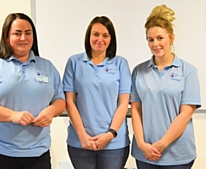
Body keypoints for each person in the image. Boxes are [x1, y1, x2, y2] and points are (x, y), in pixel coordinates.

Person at [0, 13, 65, 169]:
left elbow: (60, 100)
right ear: (7, 37)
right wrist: (12, 116)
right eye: (17, 33)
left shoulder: (47, 67)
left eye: (28, 33)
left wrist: (51, 111)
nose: (23, 38)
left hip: (38, 152)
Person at [130, 4, 201, 169]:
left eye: (160, 38)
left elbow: (185, 114)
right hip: (145, 154)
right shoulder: (139, 71)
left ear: (171, 38)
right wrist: (141, 144)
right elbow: (136, 110)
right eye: (150, 39)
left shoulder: (188, 71)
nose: (155, 44)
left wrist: (161, 145)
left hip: (177, 156)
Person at [63, 16, 131, 169]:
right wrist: (82, 136)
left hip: (114, 144)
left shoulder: (120, 63)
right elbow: (69, 102)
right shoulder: (74, 62)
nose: (100, 39)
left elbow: (123, 103)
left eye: (105, 35)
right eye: (95, 34)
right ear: (89, 36)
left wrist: (110, 133)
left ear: (111, 39)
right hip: (80, 142)